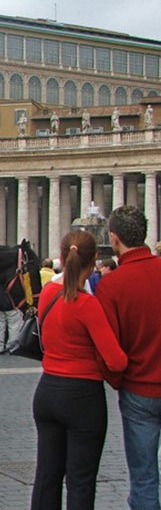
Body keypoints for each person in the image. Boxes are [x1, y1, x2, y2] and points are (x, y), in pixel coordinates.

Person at [31, 230, 127, 510]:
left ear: (62, 258)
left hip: (47, 392)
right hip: (82, 398)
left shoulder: (47, 294)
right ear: (95, 259)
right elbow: (116, 361)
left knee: (46, 477)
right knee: (80, 481)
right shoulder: (88, 305)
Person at [97, 205, 161, 509]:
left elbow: (109, 349)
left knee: (145, 477)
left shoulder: (111, 285)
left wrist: (118, 381)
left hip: (138, 391)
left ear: (114, 238)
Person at [0, 281, 21, 355]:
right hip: (11, 306)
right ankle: (12, 347)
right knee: (13, 327)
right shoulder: (11, 280)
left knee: (0, 327)